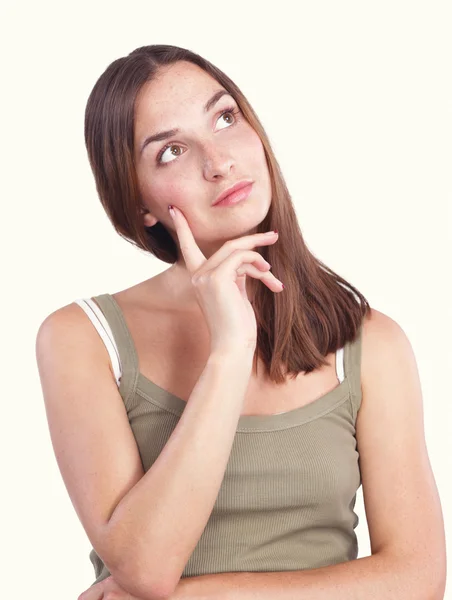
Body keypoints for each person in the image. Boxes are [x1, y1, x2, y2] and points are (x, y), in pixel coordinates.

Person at [36, 45, 446, 600]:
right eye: (172, 151)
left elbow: (417, 578)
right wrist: (229, 352)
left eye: (225, 118)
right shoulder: (83, 338)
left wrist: (198, 597)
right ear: (140, 207)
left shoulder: (369, 343)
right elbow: (144, 567)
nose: (218, 161)